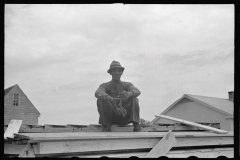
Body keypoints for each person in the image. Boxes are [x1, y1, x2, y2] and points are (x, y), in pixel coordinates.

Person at [95, 60, 142, 132]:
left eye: (119, 71)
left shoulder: (127, 84)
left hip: (125, 116)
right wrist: (111, 99)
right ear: (111, 73)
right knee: (100, 99)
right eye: (114, 71)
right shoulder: (105, 85)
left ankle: (136, 124)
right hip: (111, 117)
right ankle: (106, 125)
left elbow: (137, 91)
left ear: (121, 72)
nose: (117, 73)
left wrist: (128, 94)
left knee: (134, 99)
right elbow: (98, 92)